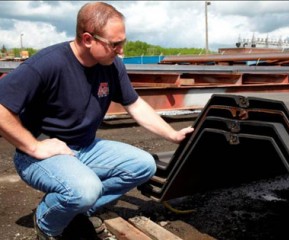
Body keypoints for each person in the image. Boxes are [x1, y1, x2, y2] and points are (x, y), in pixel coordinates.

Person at [0, 2, 194, 239]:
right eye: (115, 44)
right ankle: (46, 223)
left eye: (123, 42)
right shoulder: (48, 63)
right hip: (39, 155)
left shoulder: (112, 66)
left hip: (85, 147)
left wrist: (172, 135)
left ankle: (80, 211)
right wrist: (34, 146)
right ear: (88, 39)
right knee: (85, 188)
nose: (121, 50)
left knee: (144, 165)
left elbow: (135, 105)